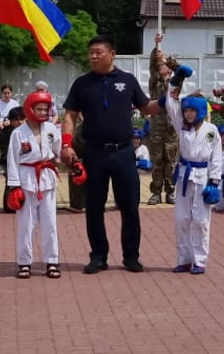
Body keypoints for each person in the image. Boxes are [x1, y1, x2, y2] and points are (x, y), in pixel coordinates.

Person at [61, 34, 164, 275]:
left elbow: (147, 107)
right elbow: (69, 115)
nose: (93, 56)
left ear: (112, 54)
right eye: (91, 53)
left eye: (98, 52)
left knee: (130, 206)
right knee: (94, 207)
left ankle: (131, 256)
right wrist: (67, 144)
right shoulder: (82, 83)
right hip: (94, 152)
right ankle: (98, 256)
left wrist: (167, 100)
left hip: (124, 152)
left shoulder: (127, 81)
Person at [166, 83, 222, 274]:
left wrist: (214, 182)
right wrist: (176, 80)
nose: (188, 114)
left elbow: (216, 157)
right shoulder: (181, 126)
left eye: (192, 110)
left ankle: (200, 261)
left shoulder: (211, 130)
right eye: (186, 110)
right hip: (184, 176)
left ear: (200, 111)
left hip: (203, 178)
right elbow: (170, 103)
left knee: (201, 221)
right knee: (181, 219)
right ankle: (183, 259)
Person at [7, 92, 62, 279]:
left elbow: (58, 152)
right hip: (26, 179)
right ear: (30, 109)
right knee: (25, 224)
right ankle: (24, 263)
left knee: (50, 223)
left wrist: (68, 160)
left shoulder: (51, 129)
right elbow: (12, 160)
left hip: (46, 176)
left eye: (45, 109)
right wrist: (13, 186)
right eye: (39, 109)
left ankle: (52, 261)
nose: (42, 112)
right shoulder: (18, 133)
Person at [147, 35, 179, 206]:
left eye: (165, 65)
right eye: (160, 66)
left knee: (171, 161)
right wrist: (156, 46)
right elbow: (152, 64)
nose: (162, 67)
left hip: (171, 127)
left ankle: (171, 191)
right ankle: (156, 192)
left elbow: (181, 68)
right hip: (157, 127)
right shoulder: (155, 82)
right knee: (157, 161)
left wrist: (168, 59)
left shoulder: (175, 82)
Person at [0, 106, 25, 213]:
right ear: (10, 120)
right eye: (16, 120)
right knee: (11, 182)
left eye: (22, 119)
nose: (19, 122)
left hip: (24, 162)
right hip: (7, 163)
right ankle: (9, 205)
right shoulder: (5, 133)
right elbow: (3, 152)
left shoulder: (27, 131)